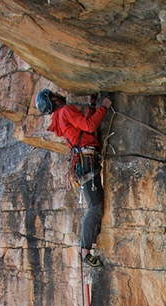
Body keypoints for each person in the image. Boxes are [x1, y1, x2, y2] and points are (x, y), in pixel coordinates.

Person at [35, 89, 112, 267]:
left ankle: (89, 243)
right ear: (53, 99)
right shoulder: (66, 110)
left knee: (95, 205)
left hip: (84, 161)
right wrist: (104, 107)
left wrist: (92, 106)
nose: (57, 95)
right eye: (54, 95)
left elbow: (84, 128)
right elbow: (90, 126)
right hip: (87, 160)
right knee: (95, 207)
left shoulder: (61, 117)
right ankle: (85, 250)